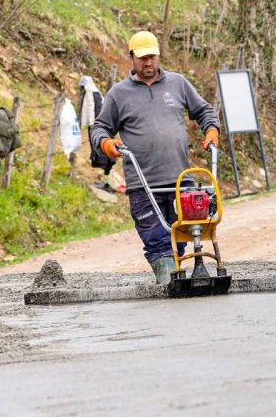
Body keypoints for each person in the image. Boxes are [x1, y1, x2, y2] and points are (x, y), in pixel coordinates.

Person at [90, 30, 220, 285]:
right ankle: (169, 280)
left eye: (152, 57)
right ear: (132, 59)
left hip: (179, 179)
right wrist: (105, 143)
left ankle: (183, 278)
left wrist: (212, 129)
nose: (148, 63)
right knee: (156, 238)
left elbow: (203, 110)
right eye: (142, 58)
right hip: (142, 183)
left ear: (158, 56)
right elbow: (99, 127)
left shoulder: (178, 83)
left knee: (182, 232)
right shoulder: (119, 94)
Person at [78, 75, 116, 186]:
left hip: (98, 125)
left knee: (100, 148)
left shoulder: (91, 94)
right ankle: (105, 173)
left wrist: (91, 124)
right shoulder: (97, 94)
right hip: (102, 125)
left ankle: (104, 174)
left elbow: (90, 110)